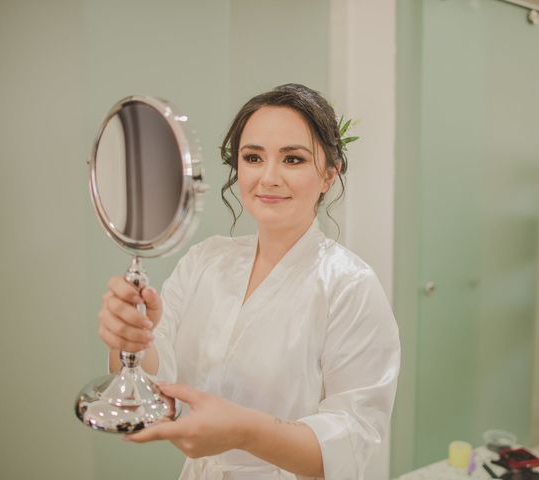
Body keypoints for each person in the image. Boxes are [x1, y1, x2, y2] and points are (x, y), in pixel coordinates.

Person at [97, 83, 401, 479]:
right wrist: (132, 339)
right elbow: (156, 383)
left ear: (329, 174)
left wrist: (244, 431)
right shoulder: (205, 261)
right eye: (253, 157)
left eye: (293, 159)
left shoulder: (349, 286)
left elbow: (354, 443)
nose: (269, 177)